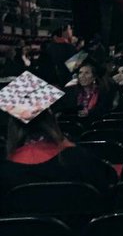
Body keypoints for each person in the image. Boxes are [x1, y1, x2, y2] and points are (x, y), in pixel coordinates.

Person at [0, 72, 111, 202]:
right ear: (51, 118)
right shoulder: (77, 158)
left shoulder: (5, 170)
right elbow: (105, 191)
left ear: (12, 125)